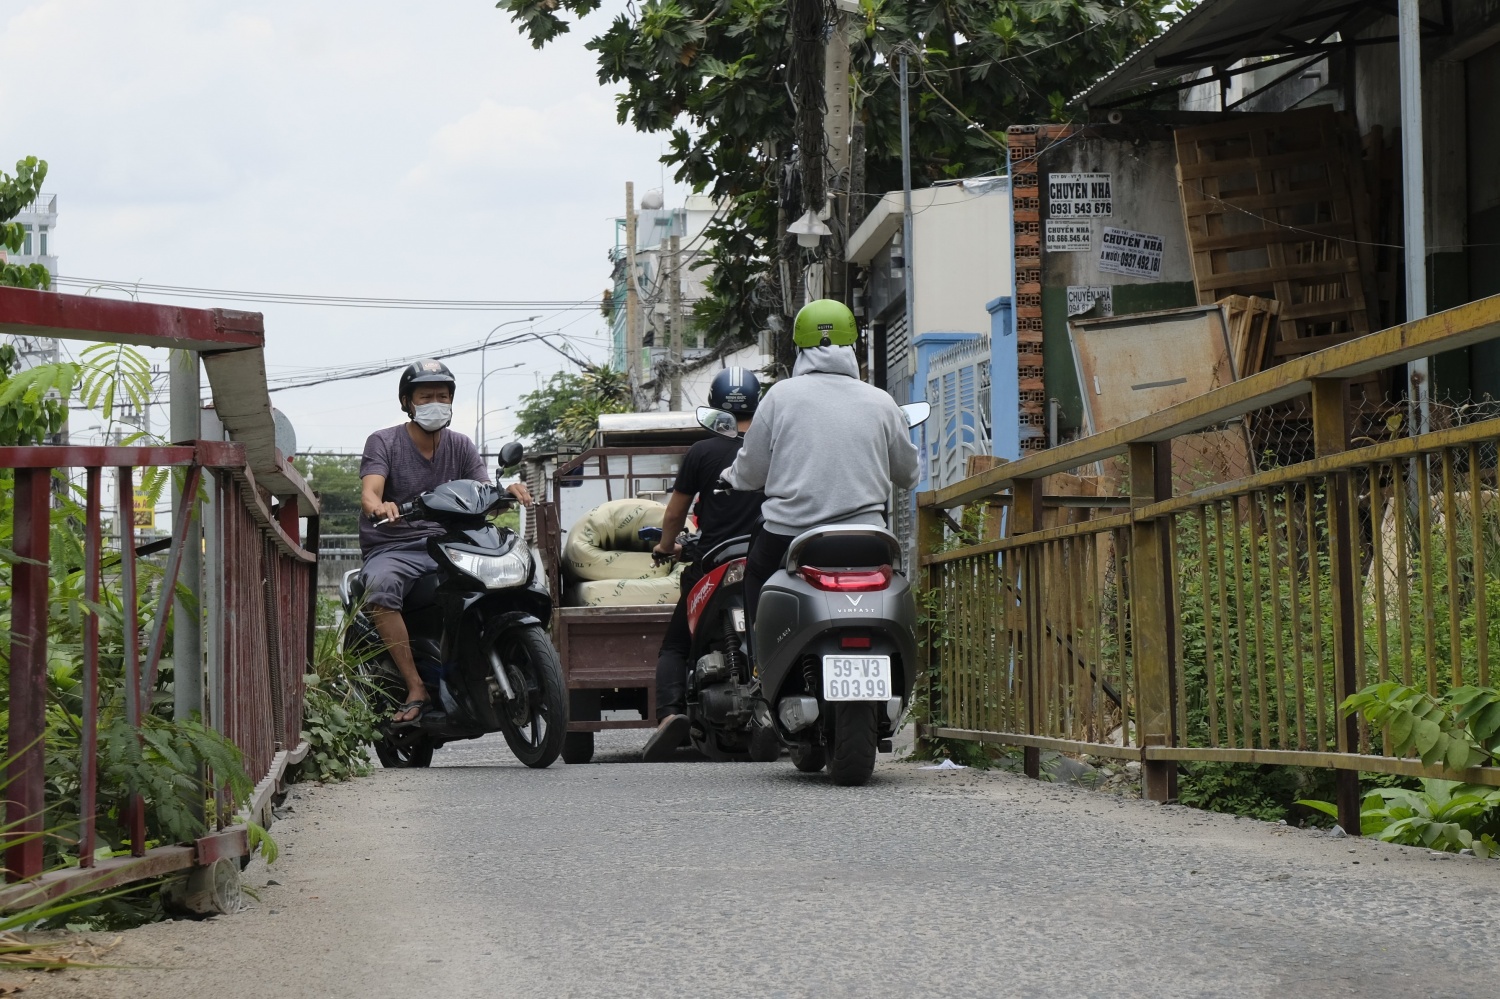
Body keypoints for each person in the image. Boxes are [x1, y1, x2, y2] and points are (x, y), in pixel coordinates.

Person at [722, 299, 919, 639]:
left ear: (800, 346)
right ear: (853, 345)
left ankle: (759, 661)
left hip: (789, 538)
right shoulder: (881, 401)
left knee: (754, 573)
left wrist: (731, 477)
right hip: (868, 539)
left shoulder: (779, 397)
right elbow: (909, 474)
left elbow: (750, 472)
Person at [359, 359, 532, 725]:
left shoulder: (461, 446)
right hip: (395, 545)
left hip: (449, 544)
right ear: (408, 402)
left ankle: (482, 662)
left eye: (442, 395)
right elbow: (370, 494)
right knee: (380, 586)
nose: (435, 402)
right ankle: (416, 686)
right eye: (426, 396)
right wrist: (381, 505)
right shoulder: (384, 442)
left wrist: (506, 491)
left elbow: (483, 491)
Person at [640, 367, 765, 762]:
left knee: (677, 645)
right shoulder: (774, 447)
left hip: (715, 562)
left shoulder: (702, 452)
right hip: (767, 558)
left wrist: (664, 546)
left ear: (713, 407)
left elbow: (675, 514)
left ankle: (670, 715)